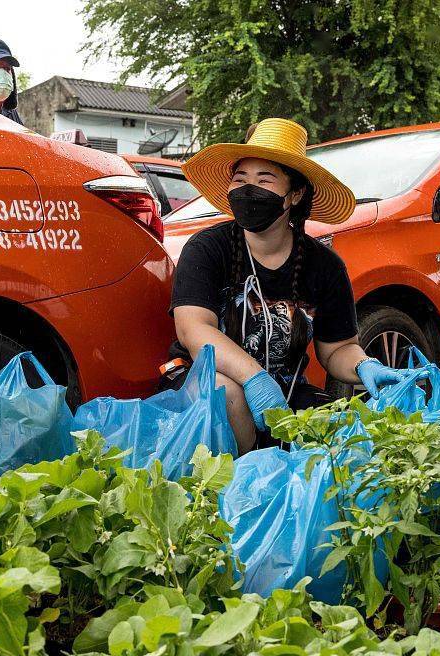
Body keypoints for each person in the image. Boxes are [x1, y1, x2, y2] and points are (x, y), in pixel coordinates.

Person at [170, 118, 403, 454]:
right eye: (241, 179)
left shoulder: (324, 266)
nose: (250, 190)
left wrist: (364, 366)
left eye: (264, 180)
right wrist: (254, 378)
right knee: (228, 393)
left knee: (342, 441)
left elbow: (336, 349)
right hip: (200, 382)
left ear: (294, 194)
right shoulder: (208, 248)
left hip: (287, 392)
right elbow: (193, 331)